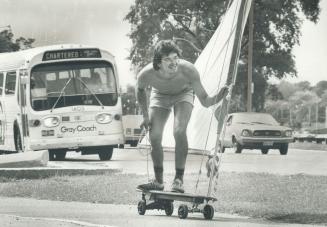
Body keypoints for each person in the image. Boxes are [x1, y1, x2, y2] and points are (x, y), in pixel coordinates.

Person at [136, 40, 229, 193]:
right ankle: (158, 181)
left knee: (179, 131)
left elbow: (205, 101)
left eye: (175, 58)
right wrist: (145, 116)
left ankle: (178, 180)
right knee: (154, 135)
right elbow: (139, 90)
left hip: (183, 94)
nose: (173, 63)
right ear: (158, 63)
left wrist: (220, 96)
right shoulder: (146, 74)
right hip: (159, 95)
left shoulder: (189, 70)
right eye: (167, 60)